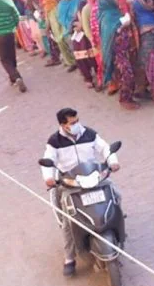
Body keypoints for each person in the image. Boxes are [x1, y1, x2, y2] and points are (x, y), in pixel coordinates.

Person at [42, 108, 119, 274]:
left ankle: (118, 226)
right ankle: (69, 258)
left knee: (116, 195)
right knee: (68, 221)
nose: (77, 124)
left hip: (94, 177)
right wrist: (48, 177)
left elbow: (104, 148)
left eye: (77, 121)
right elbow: (48, 159)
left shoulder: (89, 134)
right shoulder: (54, 142)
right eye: (72, 123)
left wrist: (112, 161)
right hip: (71, 184)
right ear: (63, 125)